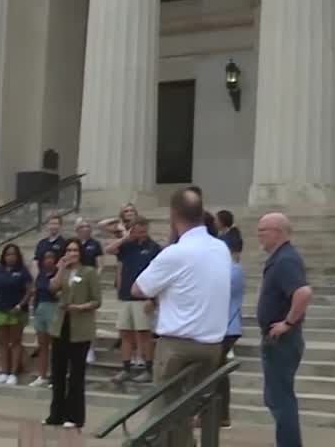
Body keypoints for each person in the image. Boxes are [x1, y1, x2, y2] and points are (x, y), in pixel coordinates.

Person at [132, 188, 231, 447]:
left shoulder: (175, 253)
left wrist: (168, 250)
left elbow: (138, 288)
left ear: (174, 215)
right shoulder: (221, 249)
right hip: (212, 345)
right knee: (188, 411)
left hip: (177, 345)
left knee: (163, 413)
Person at [256, 212, 313, 447]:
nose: (259, 236)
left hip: (282, 341)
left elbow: (303, 292)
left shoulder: (286, 260)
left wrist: (287, 323)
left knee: (281, 399)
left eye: (263, 231)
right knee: (276, 398)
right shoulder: (280, 258)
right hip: (277, 340)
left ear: (278, 232)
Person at [43, 239, 101, 430]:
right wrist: (60, 267)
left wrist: (80, 307)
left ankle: (75, 415)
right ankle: (56, 414)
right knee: (58, 372)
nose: (72, 253)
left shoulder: (89, 272)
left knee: (76, 375)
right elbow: (52, 288)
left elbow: (96, 300)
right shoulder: (65, 271)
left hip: (80, 328)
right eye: (69, 250)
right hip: (62, 326)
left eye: (75, 250)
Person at [104, 217, 160, 384]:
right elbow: (108, 250)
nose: (140, 232)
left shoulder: (154, 248)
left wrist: (153, 298)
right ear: (132, 229)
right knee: (125, 334)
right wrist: (125, 237)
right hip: (126, 296)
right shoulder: (127, 246)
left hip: (144, 297)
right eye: (137, 229)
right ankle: (126, 369)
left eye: (143, 229)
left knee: (144, 335)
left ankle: (149, 369)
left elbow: (159, 275)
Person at [0, 244, 32, 386]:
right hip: (0, 309)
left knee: (15, 342)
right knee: (2, 342)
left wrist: (20, 305)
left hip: (17, 311)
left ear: (18, 256)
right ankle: (4, 372)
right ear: (4, 256)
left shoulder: (23, 272)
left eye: (13, 254)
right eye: (8, 254)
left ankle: (13, 373)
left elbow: (29, 291)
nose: (10, 257)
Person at [218, 234, 246, 429]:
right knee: (216, 371)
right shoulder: (225, 269)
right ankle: (220, 415)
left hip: (229, 326)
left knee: (215, 371)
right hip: (221, 325)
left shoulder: (234, 270)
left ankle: (221, 415)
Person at [75, 220, 104, 364]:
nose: (85, 229)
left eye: (87, 226)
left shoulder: (95, 244)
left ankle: (90, 349)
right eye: (82, 227)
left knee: (89, 318)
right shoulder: (74, 245)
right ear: (77, 230)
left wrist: (93, 279)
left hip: (89, 282)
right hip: (75, 282)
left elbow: (100, 265)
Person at [29, 250, 59, 388]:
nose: (49, 260)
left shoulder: (59, 273)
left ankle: (56, 376)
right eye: (46, 257)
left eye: (51, 257)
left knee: (56, 346)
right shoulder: (40, 274)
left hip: (54, 308)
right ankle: (42, 376)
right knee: (42, 345)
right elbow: (37, 292)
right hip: (40, 308)